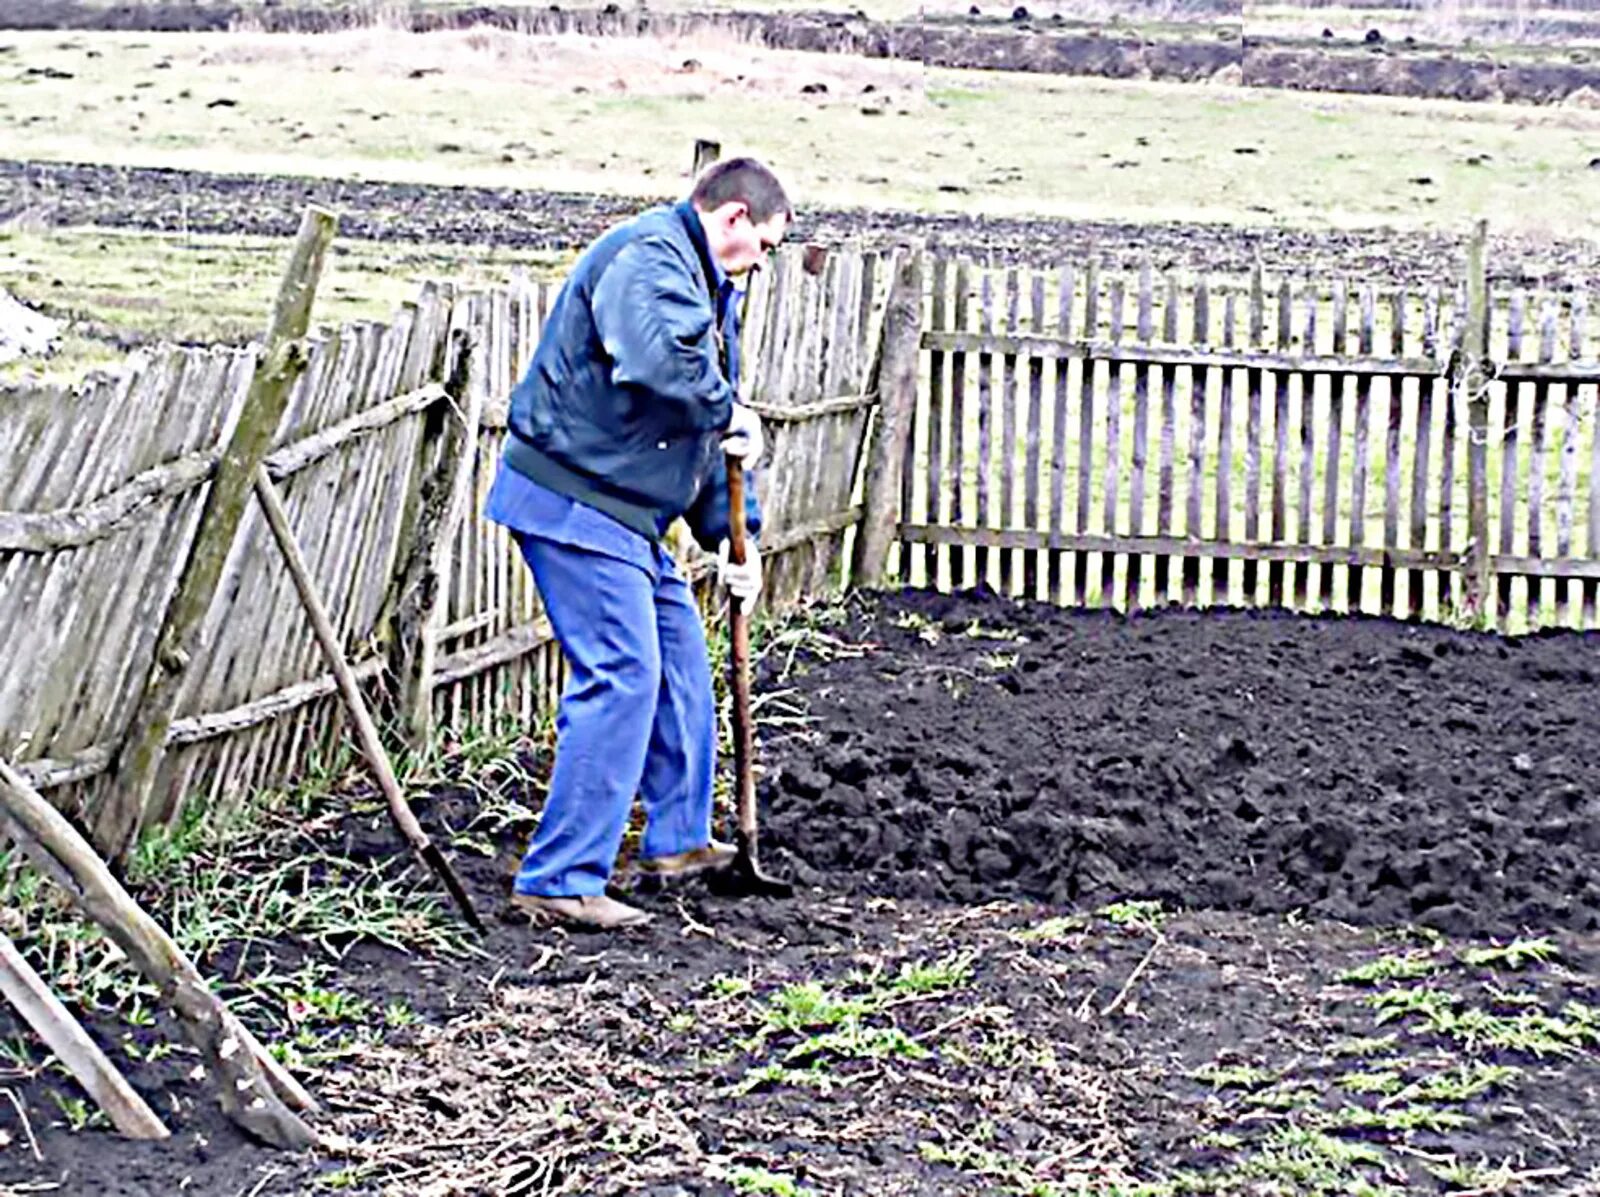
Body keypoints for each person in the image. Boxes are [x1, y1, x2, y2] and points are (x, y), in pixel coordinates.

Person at [484, 158, 791, 930]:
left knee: (681, 665)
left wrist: (736, 541)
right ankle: (558, 877)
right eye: (766, 245)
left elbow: (693, 445)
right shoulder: (649, 257)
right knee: (623, 672)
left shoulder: (708, 289)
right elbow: (659, 368)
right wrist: (728, 408)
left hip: (626, 510)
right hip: (572, 497)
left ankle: (679, 840)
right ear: (732, 221)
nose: (765, 262)